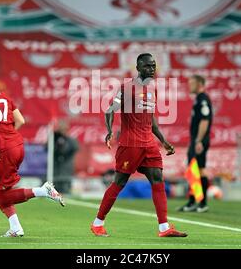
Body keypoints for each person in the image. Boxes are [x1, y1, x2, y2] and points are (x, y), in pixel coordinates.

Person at [90, 53, 187, 237]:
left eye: (153, 66)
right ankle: (97, 223)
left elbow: (151, 120)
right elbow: (110, 110)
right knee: (119, 182)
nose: (151, 69)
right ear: (138, 68)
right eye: (148, 66)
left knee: (157, 179)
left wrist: (164, 141)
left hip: (149, 144)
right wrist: (110, 131)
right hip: (131, 144)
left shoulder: (152, 90)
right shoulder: (127, 88)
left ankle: (164, 227)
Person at [0, 61, 65, 237]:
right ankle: (16, 228)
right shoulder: (3, 96)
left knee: (1, 196)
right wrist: (8, 136)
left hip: (4, 149)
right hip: (17, 145)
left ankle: (43, 191)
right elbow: (21, 121)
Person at [177, 75, 213, 213]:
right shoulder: (198, 99)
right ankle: (194, 201)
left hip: (199, 140)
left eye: (191, 83)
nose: (189, 86)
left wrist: (198, 140)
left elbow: (205, 121)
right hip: (197, 140)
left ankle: (201, 202)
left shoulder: (203, 99)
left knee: (199, 169)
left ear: (199, 84)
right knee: (193, 170)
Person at [52, 120, 79, 194]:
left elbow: (75, 148)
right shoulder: (54, 139)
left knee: (66, 190)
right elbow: (47, 148)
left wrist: (65, 139)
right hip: (55, 168)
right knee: (54, 190)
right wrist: (55, 139)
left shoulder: (71, 140)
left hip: (66, 168)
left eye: (64, 129)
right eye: (60, 129)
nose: (62, 131)